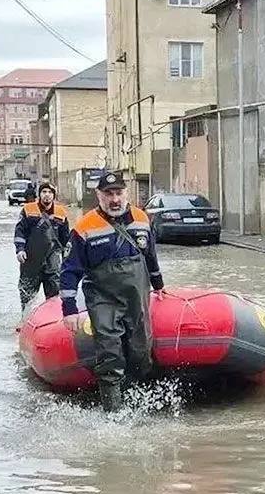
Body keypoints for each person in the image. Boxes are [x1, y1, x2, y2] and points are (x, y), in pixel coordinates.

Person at [60, 172, 165, 412]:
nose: (115, 199)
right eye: (108, 194)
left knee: (141, 355)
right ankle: (113, 415)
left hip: (136, 300)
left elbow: (151, 257)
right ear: (99, 196)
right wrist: (69, 310)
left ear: (126, 194)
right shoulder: (84, 227)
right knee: (110, 356)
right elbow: (69, 270)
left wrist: (159, 286)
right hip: (103, 301)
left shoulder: (141, 219)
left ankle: (137, 408)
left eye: (119, 193)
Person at [14, 182, 69, 311]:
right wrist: (20, 250)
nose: (47, 195)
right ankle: (25, 320)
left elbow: (66, 239)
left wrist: (68, 259)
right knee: (27, 295)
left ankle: (52, 322)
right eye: (44, 192)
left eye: (50, 193)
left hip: (52, 260)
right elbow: (20, 232)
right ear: (39, 194)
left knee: (54, 296)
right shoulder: (28, 210)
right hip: (31, 259)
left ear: (54, 196)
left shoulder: (61, 213)